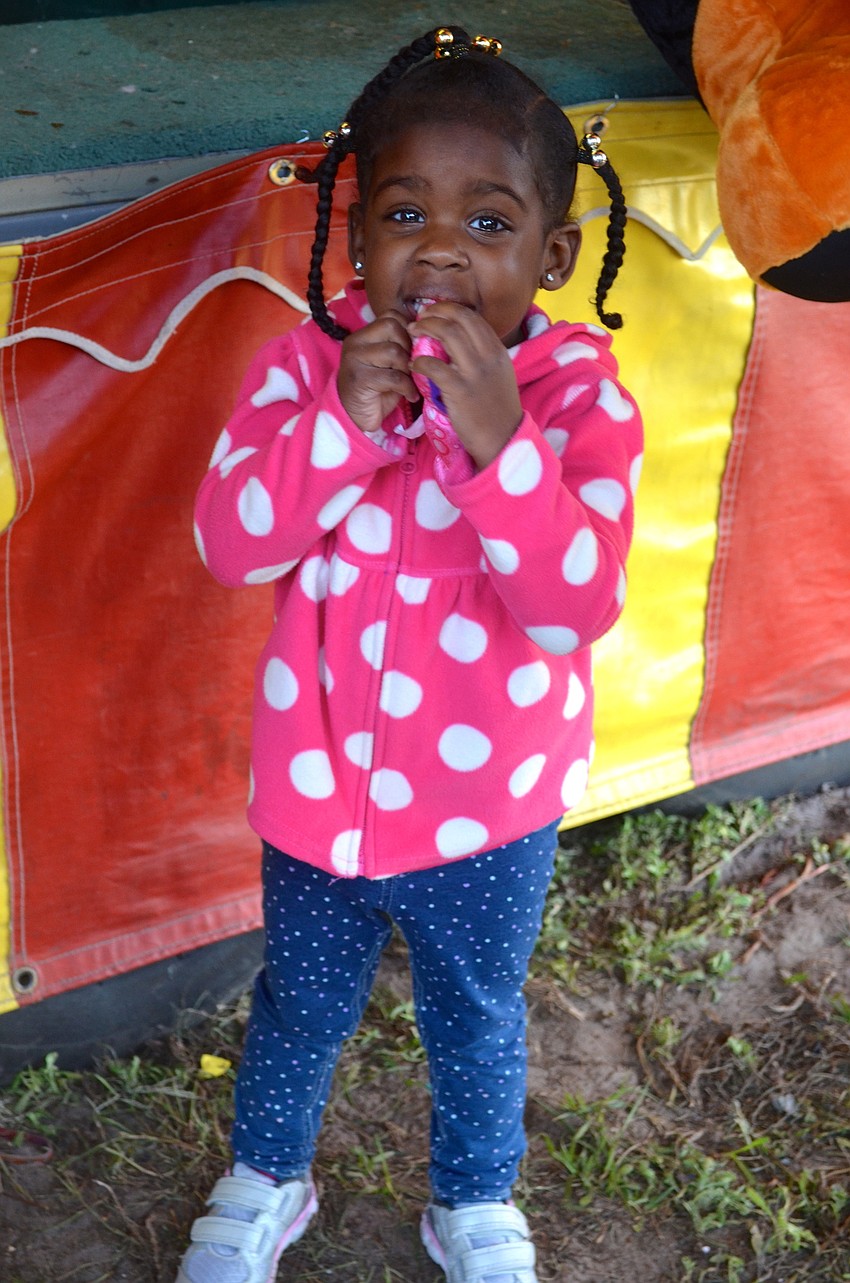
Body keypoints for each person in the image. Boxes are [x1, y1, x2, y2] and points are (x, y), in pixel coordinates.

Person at [177, 24, 642, 1283]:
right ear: (357, 236)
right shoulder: (304, 368)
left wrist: (502, 449)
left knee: (474, 1013)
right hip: (318, 797)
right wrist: (339, 423)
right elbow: (232, 541)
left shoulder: (579, 399)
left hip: (487, 807)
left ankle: (474, 1200)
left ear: (551, 254)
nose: (439, 249)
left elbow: (572, 603)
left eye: (488, 225)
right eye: (402, 213)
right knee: (300, 1004)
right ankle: (268, 1175)